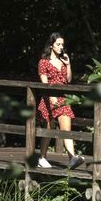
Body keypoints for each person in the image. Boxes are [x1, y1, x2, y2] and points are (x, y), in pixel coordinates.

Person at [36, 32, 84, 170]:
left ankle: (72, 158)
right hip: (49, 97)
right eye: (58, 44)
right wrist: (51, 97)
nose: (61, 47)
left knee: (66, 128)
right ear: (51, 46)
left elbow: (68, 80)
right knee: (49, 128)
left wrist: (68, 64)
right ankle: (42, 157)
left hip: (63, 98)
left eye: (62, 44)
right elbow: (44, 83)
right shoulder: (43, 62)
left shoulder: (63, 61)